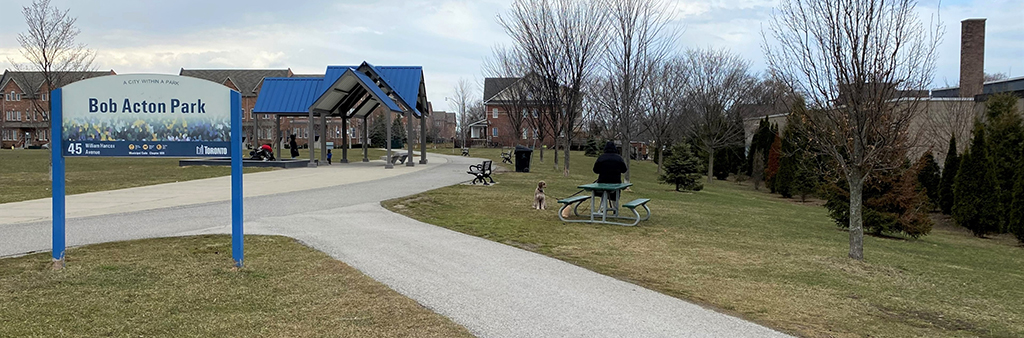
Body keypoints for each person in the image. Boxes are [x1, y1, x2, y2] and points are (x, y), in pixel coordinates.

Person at [593, 141, 628, 207]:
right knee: (615, 194)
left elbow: (595, 170)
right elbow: (624, 170)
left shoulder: (601, 158)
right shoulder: (619, 158)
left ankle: (602, 208)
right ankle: (615, 208)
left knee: (603, 193)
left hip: (602, 182)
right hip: (616, 182)